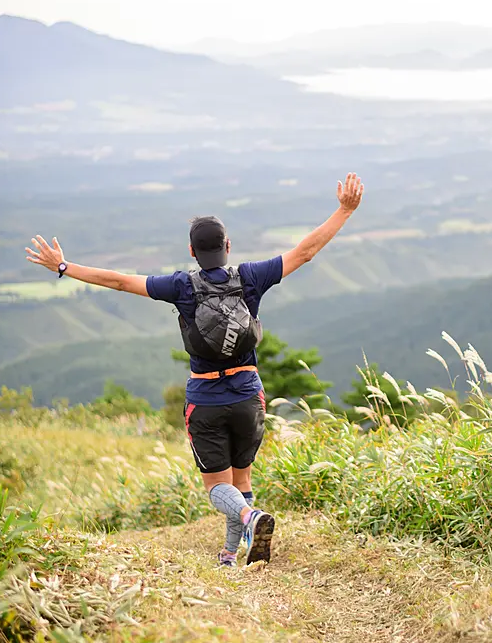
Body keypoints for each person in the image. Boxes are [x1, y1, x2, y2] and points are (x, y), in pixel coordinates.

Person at [25, 173, 365, 566]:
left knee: (218, 488)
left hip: (205, 398)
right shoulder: (251, 277)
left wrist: (64, 266)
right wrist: (344, 209)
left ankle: (249, 519)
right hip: (247, 395)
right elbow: (305, 252)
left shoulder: (181, 286)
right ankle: (230, 553)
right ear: (228, 246)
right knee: (242, 479)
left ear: (191, 251)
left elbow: (118, 282)